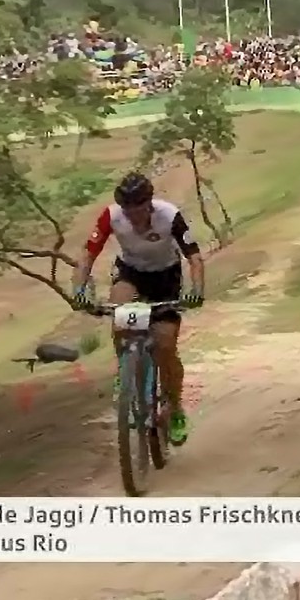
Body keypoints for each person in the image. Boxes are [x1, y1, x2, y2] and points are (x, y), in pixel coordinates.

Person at [71, 171, 205, 446]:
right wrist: (79, 290)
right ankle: (125, 373)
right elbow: (87, 255)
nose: (132, 216)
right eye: (127, 210)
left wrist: (197, 291)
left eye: (138, 210)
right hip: (131, 273)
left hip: (166, 277)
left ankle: (176, 409)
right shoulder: (111, 216)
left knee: (166, 344)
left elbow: (194, 258)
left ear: (149, 204)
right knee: (120, 313)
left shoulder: (169, 216)